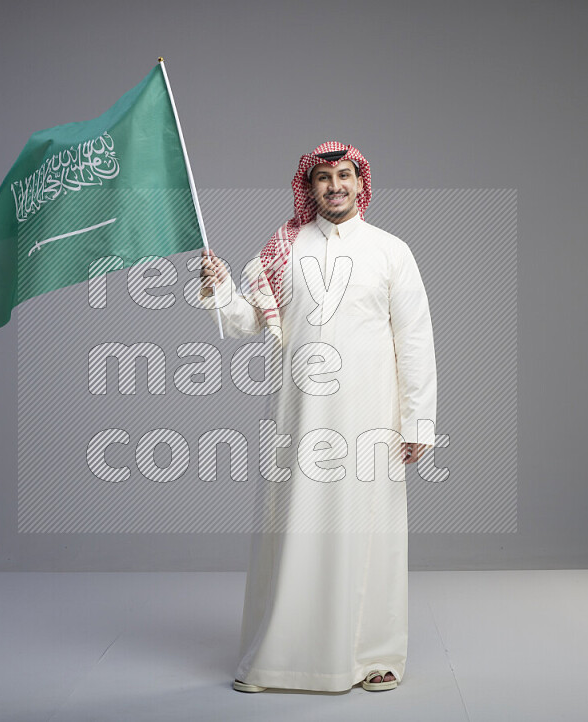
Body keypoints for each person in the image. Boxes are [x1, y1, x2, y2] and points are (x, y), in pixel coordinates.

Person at [197, 141, 437, 693]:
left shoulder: (391, 252)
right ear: (308, 187)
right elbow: (244, 322)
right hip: (297, 416)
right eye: (324, 178)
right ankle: (275, 658)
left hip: (372, 417)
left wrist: (418, 420)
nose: (335, 186)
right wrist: (221, 287)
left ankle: (375, 655)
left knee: (372, 533)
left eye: (345, 175)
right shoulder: (283, 248)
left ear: (361, 183)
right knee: (293, 528)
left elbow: (416, 339)